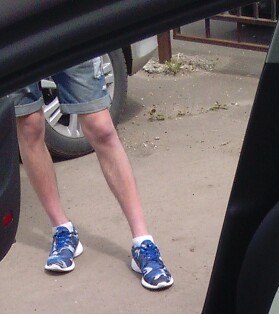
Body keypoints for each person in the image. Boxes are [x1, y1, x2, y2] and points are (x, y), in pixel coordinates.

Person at [13, 57, 173, 290]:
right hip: (15, 41)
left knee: (101, 127)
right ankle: (62, 229)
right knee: (29, 126)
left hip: (61, 35)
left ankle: (142, 242)